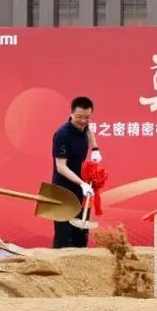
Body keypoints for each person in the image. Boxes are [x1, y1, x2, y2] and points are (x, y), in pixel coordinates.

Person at [52, 96, 101, 248]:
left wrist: (95, 149)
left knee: (80, 234)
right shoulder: (62, 135)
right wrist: (82, 184)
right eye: (79, 117)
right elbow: (61, 167)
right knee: (63, 235)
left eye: (87, 117)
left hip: (81, 189)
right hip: (63, 191)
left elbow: (89, 131)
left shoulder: (85, 126)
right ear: (72, 113)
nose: (83, 121)